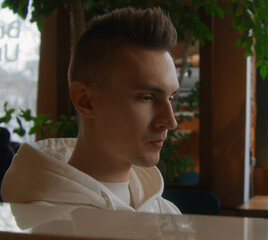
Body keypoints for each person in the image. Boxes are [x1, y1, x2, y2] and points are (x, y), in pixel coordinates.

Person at [1, 7, 181, 214]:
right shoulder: (38, 225)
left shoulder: (169, 214)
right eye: (146, 98)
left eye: (170, 97)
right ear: (86, 101)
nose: (170, 121)